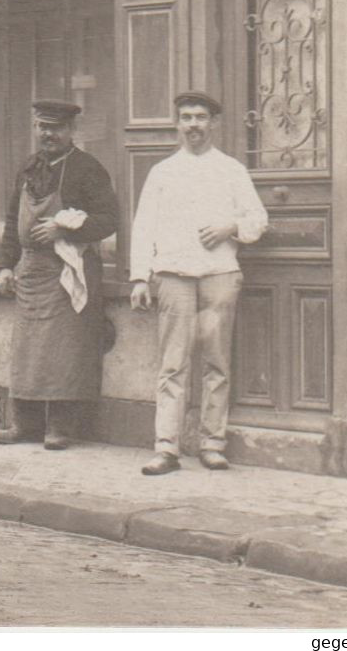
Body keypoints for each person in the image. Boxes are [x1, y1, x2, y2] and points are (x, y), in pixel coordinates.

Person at [130, 91, 268, 476]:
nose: (193, 125)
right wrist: (140, 277)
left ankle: (212, 443)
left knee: (216, 362)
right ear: (177, 123)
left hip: (219, 275)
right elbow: (144, 227)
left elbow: (258, 219)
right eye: (186, 117)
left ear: (214, 123)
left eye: (201, 117)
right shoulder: (162, 172)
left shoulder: (231, 170)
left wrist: (231, 226)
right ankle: (166, 447)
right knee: (172, 364)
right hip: (173, 277)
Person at [0, 100, 119, 450]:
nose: (47, 134)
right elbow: (10, 220)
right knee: (27, 350)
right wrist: (5, 265)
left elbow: (109, 219)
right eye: (41, 126)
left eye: (55, 128)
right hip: (31, 271)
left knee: (65, 351)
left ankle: (60, 427)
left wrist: (66, 231)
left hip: (69, 270)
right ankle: (24, 424)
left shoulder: (87, 169)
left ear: (70, 130)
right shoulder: (28, 168)